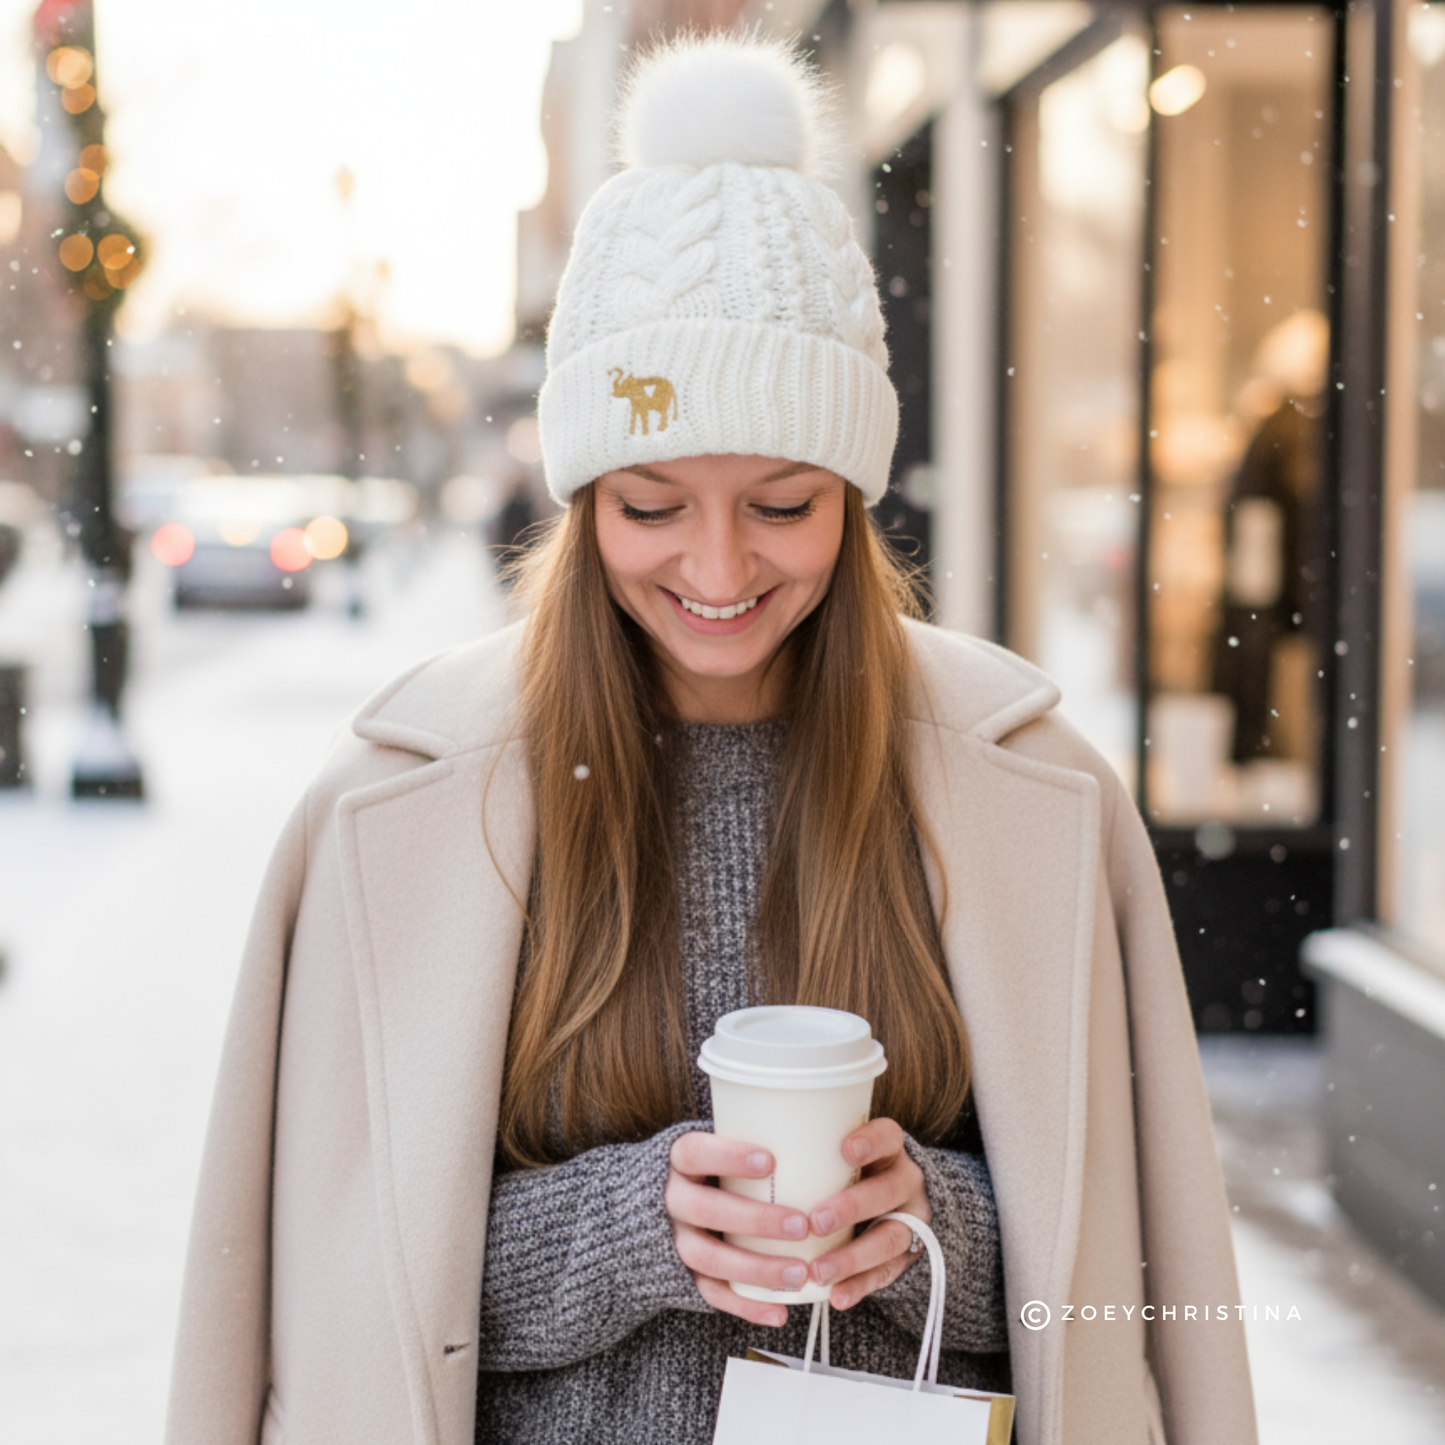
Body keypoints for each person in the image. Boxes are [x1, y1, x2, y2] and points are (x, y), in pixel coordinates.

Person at [165, 35, 1256, 1445]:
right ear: (580, 499)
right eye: (652, 503)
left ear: (856, 502)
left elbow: (1130, 1297)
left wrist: (929, 1231)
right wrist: (640, 1227)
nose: (720, 566)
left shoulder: (1032, 790)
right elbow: (332, 1299)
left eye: (786, 502)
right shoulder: (400, 808)